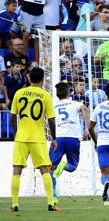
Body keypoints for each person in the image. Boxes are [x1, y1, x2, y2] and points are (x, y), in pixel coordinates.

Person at [10, 67, 59, 212]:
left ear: (29, 78)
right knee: (45, 169)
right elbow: (51, 120)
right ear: (43, 79)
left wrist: (16, 133)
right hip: (38, 138)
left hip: (22, 137)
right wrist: (54, 139)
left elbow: (13, 116)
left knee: (17, 169)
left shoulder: (19, 93)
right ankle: (51, 203)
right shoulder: (45, 95)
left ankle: (14, 204)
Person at [50, 82, 90, 204]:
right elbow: (84, 109)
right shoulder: (75, 103)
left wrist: (52, 137)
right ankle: (64, 166)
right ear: (68, 93)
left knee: (50, 167)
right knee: (72, 166)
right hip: (73, 138)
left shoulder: (54, 106)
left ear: (57, 95)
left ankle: (54, 196)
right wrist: (87, 128)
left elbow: (50, 121)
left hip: (59, 138)